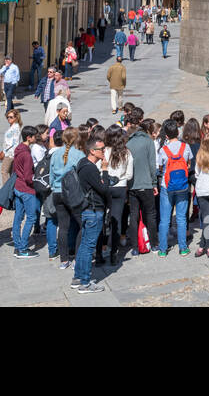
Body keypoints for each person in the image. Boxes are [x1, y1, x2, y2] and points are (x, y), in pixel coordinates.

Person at [72, 135, 114, 293]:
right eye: (101, 149)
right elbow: (104, 189)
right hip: (93, 210)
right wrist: (104, 171)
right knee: (89, 247)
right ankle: (85, 282)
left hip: (87, 209)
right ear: (92, 151)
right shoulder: (90, 168)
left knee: (84, 246)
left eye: (104, 148)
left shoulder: (83, 163)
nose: (104, 151)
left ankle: (78, 277)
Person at [96, 124, 132, 266]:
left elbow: (98, 169)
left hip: (105, 186)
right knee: (116, 220)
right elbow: (129, 175)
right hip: (120, 188)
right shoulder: (126, 153)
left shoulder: (103, 152)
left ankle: (99, 253)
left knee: (101, 219)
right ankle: (113, 254)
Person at [49, 125, 85, 269]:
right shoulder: (79, 155)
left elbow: (51, 176)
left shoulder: (55, 154)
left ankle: (64, 260)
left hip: (57, 192)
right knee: (83, 224)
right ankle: (77, 256)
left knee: (63, 227)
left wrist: (54, 187)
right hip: (72, 193)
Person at [155, 120, 192, 257]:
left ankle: (163, 249)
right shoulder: (185, 147)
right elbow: (188, 164)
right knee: (181, 218)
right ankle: (183, 248)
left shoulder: (163, 150)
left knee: (165, 219)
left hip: (167, 187)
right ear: (178, 132)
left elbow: (160, 168)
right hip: (182, 186)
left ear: (166, 136)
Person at [126, 111, 158, 255]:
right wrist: (154, 183)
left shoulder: (128, 143)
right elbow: (152, 165)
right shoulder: (148, 142)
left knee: (134, 216)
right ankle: (154, 243)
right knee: (150, 214)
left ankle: (135, 247)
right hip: (146, 184)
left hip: (132, 185)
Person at [11, 125, 41, 258]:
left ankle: (17, 244)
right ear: (29, 138)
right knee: (31, 218)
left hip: (18, 186)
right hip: (27, 189)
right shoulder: (27, 155)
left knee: (18, 217)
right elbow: (29, 177)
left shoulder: (18, 150)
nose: (36, 138)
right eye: (35, 136)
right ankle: (23, 248)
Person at [0, 109, 22, 184]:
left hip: (9, 153)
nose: (9, 119)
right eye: (8, 117)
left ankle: (6, 190)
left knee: (4, 171)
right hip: (12, 153)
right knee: (9, 172)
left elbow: (10, 143)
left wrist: (3, 152)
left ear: (16, 118)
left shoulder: (15, 128)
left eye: (11, 117)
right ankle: (10, 189)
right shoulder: (14, 126)